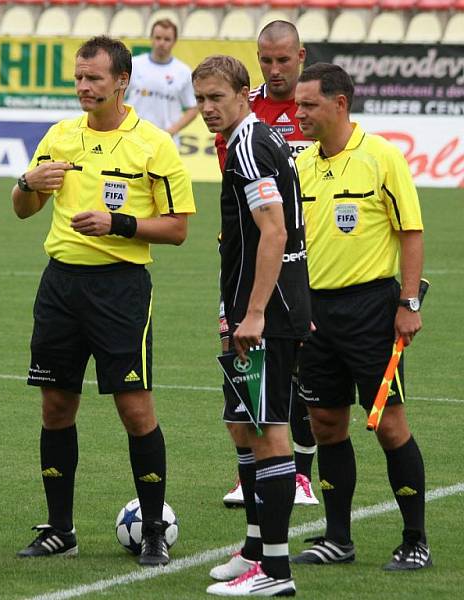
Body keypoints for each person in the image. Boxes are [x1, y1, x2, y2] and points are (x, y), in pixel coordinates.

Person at [12, 36, 195, 567]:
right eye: (78, 77)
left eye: (94, 78)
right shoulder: (60, 136)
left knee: (135, 411)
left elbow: (178, 228)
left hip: (120, 289)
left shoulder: (153, 144)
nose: (84, 87)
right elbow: (23, 208)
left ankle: (155, 529)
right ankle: (60, 529)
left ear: (122, 83)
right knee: (55, 406)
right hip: (60, 287)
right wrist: (27, 181)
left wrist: (118, 224)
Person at [291, 63, 431, 571]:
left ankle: (415, 539)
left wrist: (408, 303)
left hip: (372, 309)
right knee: (326, 423)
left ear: (340, 104)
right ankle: (337, 538)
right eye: (298, 105)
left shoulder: (382, 158)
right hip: (313, 314)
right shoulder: (301, 164)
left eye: (309, 105)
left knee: (390, 426)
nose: (299, 113)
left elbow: (410, 232)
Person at [194, 55, 310, 596]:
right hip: (252, 307)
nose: (207, 109)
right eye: (200, 100)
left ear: (244, 93)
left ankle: (276, 572)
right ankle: (256, 549)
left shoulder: (248, 145)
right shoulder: (257, 139)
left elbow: (274, 233)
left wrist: (256, 312)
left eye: (216, 97)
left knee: (269, 433)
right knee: (244, 425)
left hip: (270, 310)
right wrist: (233, 310)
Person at [217, 20, 318, 510]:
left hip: (303, 255)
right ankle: (252, 476)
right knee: (244, 364)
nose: (274, 70)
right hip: (255, 254)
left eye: (283, 60)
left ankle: (301, 474)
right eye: (265, 60)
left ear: (302, 55)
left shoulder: (316, 104)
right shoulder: (244, 109)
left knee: (298, 370)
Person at [126, 19, 198, 145]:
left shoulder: (183, 72)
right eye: (158, 38)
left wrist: (171, 131)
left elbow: (193, 108)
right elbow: (116, 96)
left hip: (166, 142)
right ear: (151, 38)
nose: (161, 43)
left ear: (174, 42)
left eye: (167, 39)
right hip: (133, 138)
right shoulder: (133, 64)